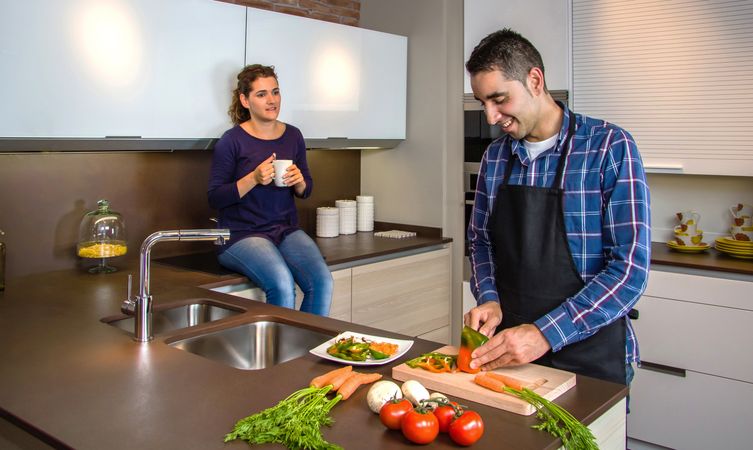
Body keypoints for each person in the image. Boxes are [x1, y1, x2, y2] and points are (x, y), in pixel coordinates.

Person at [464, 29, 650, 386]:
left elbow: (629, 271)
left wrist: (545, 333)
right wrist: (488, 298)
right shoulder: (495, 157)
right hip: (510, 355)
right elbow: (482, 243)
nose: (490, 117)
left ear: (535, 80)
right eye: (482, 102)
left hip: (592, 357)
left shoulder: (609, 148)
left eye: (499, 99)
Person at [208, 64, 333, 316]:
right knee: (282, 285)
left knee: (322, 282)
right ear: (245, 100)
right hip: (242, 234)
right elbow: (215, 196)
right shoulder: (231, 140)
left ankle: (305, 346)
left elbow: (305, 190)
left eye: (275, 92)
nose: (272, 100)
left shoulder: (294, 136)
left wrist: (299, 181)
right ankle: (281, 353)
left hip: (284, 230)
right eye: (262, 94)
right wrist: (253, 178)